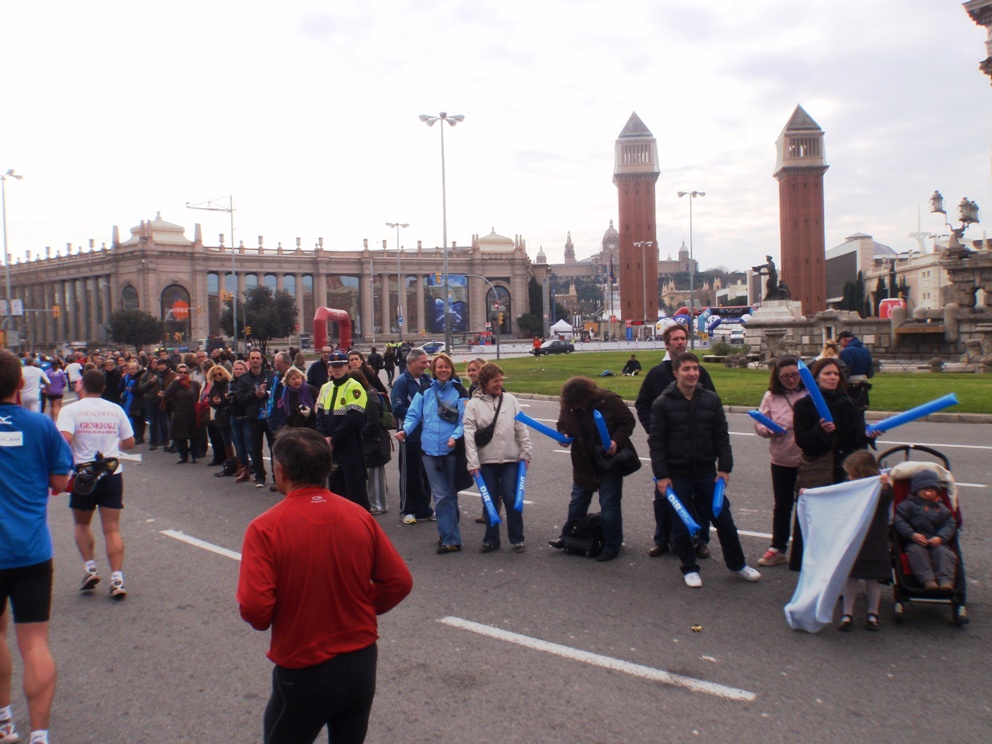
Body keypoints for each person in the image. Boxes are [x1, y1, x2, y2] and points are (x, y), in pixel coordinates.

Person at [237, 428, 413, 744]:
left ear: (281, 470)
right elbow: (398, 581)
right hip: (360, 660)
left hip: (305, 665)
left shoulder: (265, 527)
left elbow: (256, 610)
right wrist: (359, 603)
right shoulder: (358, 515)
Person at [0, 349, 73, 744]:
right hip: (30, 549)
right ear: (19, 384)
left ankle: (3, 721)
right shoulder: (41, 425)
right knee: (35, 643)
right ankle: (40, 735)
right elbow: (61, 483)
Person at [648, 352, 760, 588]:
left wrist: (725, 468)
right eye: (686, 369)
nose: (692, 373)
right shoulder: (662, 403)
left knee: (724, 519)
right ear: (676, 373)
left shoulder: (711, 399)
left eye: (695, 369)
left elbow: (721, 436)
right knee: (682, 524)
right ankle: (689, 568)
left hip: (706, 472)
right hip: (676, 474)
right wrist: (662, 475)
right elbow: (656, 443)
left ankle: (738, 564)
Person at [634, 323, 716, 559]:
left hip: (697, 448)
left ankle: (700, 540)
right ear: (667, 344)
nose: (680, 342)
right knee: (663, 496)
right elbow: (643, 405)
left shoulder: (699, 372)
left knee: (700, 498)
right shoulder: (656, 374)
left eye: (683, 338)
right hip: (668, 449)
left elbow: (713, 404)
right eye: (675, 339)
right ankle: (662, 538)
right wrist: (653, 430)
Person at [790, 357, 876, 571]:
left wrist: (869, 435)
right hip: (819, 469)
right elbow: (803, 441)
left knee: (839, 522)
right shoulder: (804, 405)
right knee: (816, 520)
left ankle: (839, 568)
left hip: (843, 471)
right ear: (816, 377)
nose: (832, 377)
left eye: (836, 374)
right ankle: (811, 567)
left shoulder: (848, 403)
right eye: (827, 373)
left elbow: (856, 439)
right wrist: (821, 431)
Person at [56, 369, 135, 599]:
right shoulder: (115, 409)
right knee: (111, 529)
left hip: (84, 475)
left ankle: (90, 568)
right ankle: (117, 579)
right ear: (103, 387)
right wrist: (110, 441)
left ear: (81, 385)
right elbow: (129, 443)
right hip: (111, 472)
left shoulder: (70, 410)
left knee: (82, 524)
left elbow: (64, 441)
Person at [549, 376, 635, 562]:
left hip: (607, 463)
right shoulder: (569, 404)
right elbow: (562, 423)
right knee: (577, 503)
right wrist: (563, 435)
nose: (576, 407)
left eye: (579, 404)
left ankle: (612, 545)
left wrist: (616, 441)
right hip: (583, 463)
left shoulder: (609, 401)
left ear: (587, 398)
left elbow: (628, 421)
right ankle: (568, 536)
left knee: (609, 506)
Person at [395, 352, 467, 553]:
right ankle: (450, 538)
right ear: (434, 370)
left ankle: (448, 532)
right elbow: (413, 414)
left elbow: (464, 420)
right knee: (441, 495)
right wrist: (405, 430)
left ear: (451, 369)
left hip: (451, 449)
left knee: (450, 495)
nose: (443, 370)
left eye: (446, 367)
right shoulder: (425, 390)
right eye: (439, 367)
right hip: (429, 451)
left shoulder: (460, 391)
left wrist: (456, 436)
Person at [463, 362, 531, 553]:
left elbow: (521, 428)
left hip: (510, 459)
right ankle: (491, 539)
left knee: (511, 497)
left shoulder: (510, 400)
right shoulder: (474, 405)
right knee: (489, 499)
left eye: (501, 380)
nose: (499, 384)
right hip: (486, 461)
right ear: (485, 383)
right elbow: (468, 435)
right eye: (495, 381)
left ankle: (517, 537)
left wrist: (526, 453)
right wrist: (472, 462)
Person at [752, 355, 807, 567]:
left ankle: (805, 549)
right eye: (785, 377)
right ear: (778, 377)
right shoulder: (771, 396)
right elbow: (759, 423)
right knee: (782, 506)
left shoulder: (809, 392)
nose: (791, 380)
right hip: (782, 459)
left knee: (806, 506)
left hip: (808, 460)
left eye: (794, 375)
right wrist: (770, 430)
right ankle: (778, 547)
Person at [836, 451, 893, 632]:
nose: (850, 478)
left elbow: (886, 501)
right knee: (852, 577)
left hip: (871, 539)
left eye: (853, 474)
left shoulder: (882, 488)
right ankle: (848, 613)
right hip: (866, 539)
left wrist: (884, 487)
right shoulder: (854, 486)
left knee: (871, 579)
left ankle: (872, 613)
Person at [316, 353, 369, 510]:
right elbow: (320, 416)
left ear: (347, 366)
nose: (337, 369)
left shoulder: (354, 387)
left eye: (340, 366)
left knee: (355, 489)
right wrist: (325, 437)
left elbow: (354, 419)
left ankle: (361, 524)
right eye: (334, 366)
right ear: (329, 368)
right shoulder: (326, 388)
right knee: (336, 488)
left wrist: (333, 440)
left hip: (350, 445)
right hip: (331, 447)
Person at [894, 470, 958, 592]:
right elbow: (899, 521)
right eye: (924, 489)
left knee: (944, 553)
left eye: (932, 490)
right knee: (916, 552)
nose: (928, 493)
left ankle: (946, 581)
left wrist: (940, 537)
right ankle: (928, 581)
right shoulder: (907, 505)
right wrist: (911, 534)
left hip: (937, 541)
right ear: (916, 490)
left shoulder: (941, 508)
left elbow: (950, 524)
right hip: (915, 541)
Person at [391, 348, 433, 524]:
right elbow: (397, 408)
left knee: (426, 474)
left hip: (427, 436)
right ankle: (407, 510)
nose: (427, 365)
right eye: (423, 362)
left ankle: (424, 508)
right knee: (409, 473)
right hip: (409, 435)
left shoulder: (426, 380)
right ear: (412, 362)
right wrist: (418, 415)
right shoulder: (402, 382)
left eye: (427, 362)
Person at [235, 350, 275, 489]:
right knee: (255, 448)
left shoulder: (270, 376)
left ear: (262, 360)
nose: (255, 360)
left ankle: (277, 477)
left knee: (274, 447)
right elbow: (240, 399)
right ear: (249, 360)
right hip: (253, 417)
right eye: (253, 358)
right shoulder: (244, 379)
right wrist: (255, 394)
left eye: (258, 358)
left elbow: (277, 394)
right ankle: (260, 476)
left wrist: (265, 394)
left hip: (269, 417)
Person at [162, 363, 202, 464]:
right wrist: (175, 382)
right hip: (179, 412)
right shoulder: (175, 384)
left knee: (194, 436)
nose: (182, 374)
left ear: (188, 373)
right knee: (179, 436)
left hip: (192, 413)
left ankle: (194, 455)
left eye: (185, 372)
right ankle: (183, 456)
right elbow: (166, 394)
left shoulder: (194, 384)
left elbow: (199, 397)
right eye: (180, 372)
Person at [837, 330, 874, 410]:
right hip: (863, 387)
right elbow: (870, 372)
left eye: (840, 342)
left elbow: (844, 372)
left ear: (843, 339)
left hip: (851, 388)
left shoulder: (846, 352)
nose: (840, 345)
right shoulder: (865, 350)